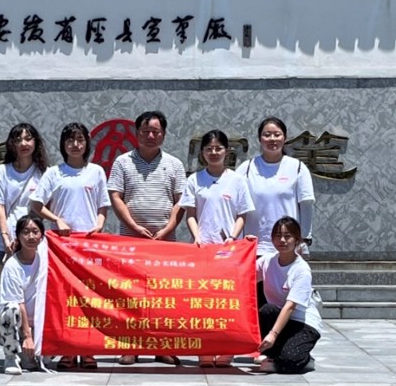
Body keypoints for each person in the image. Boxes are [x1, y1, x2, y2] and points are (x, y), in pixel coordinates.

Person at [108, 110, 187, 366]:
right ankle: (130, 346)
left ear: (163, 134)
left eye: (156, 131)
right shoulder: (122, 162)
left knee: (162, 296)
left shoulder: (174, 164)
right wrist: (132, 225)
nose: (150, 136)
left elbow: (181, 201)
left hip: (165, 243)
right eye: (145, 131)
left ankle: (162, 346)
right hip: (130, 241)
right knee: (130, 295)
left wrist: (167, 229)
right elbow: (115, 196)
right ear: (137, 133)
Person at [30, 122, 109, 370]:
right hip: (62, 247)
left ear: (87, 143)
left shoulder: (96, 172)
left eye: (80, 140)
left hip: (89, 246)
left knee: (90, 299)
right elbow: (36, 205)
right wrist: (57, 219)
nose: (75, 145)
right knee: (65, 299)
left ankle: (88, 350)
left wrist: (99, 225)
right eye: (70, 140)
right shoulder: (54, 173)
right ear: (63, 145)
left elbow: (103, 206)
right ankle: (67, 350)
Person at [180, 129, 254, 368]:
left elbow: (242, 214)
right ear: (202, 152)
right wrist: (197, 236)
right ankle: (205, 348)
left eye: (218, 148)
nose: (213, 152)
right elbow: (191, 214)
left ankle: (226, 349)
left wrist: (232, 236)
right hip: (203, 250)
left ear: (226, 151)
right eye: (209, 149)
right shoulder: (194, 180)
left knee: (227, 302)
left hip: (230, 252)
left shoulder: (237, 180)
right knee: (202, 302)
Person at [237, 117, 314, 306]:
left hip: (287, 247)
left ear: (285, 138)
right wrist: (237, 241)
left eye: (277, 134)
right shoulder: (247, 168)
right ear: (259, 138)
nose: (272, 139)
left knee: (285, 301)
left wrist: (304, 239)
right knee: (256, 302)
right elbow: (237, 207)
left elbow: (306, 205)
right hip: (256, 247)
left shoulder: (297, 167)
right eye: (267, 135)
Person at [255, 216, 321, 374]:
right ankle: (274, 355)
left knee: (290, 360)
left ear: (297, 240)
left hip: (303, 323)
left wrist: (272, 334)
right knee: (267, 310)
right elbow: (244, 275)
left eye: (288, 236)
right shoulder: (266, 261)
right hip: (279, 317)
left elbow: (290, 306)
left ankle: (304, 359)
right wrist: (245, 245)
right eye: (278, 236)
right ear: (272, 239)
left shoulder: (302, 270)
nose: (282, 240)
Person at [0, 123, 48, 272]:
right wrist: (5, 237)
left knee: (34, 278)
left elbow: (48, 205)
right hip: (5, 235)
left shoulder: (45, 173)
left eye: (28, 139)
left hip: (33, 236)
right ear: (11, 144)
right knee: (4, 278)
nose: (23, 144)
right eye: (18, 140)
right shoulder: (1, 172)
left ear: (36, 142)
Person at [0, 214, 46, 375]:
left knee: (33, 364)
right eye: (25, 232)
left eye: (35, 231)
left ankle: (30, 354)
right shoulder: (12, 266)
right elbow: (18, 302)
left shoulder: (46, 260)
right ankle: (11, 355)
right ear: (18, 237)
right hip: (16, 325)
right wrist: (27, 336)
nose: (31, 236)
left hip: (39, 324)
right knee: (11, 308)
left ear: (42, 236)